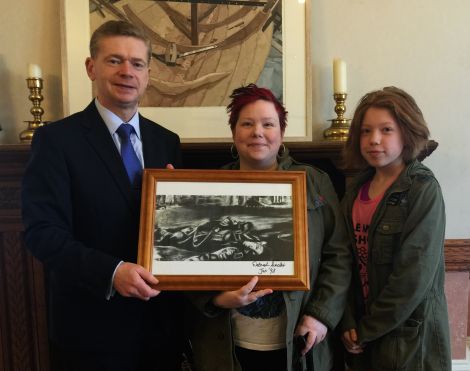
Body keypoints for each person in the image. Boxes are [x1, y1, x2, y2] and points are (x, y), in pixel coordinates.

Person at [21, 20, 183, 371]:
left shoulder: (166, 141)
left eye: (137, 63)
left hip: (159, 328)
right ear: (91, 67)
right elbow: (42, 233)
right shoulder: (56, 141)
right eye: (114, 60)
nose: (127, 71)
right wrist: (112, 272)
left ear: (148, 74)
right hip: (90, 329)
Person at [185, 84, 351, 371]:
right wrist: (215, 298)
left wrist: (320, 315)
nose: (257, 132)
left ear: (282, 133)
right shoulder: (208, 184)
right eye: (247, 123)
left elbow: (339, 255)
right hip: (227, 342)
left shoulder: (314, 182)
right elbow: (187, 260)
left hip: (298, 339)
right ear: (234, 132)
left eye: (268, 124)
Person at [340, 86, 451, 370]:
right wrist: (349, 323)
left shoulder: (423, 189)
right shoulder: (354, 192)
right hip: (361, 337)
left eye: (386, 130)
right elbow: (344, 264)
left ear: (406, 133)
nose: (374, 140)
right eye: (366, 131)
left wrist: (366, 329)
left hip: (408, 341)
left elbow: (413, 276)